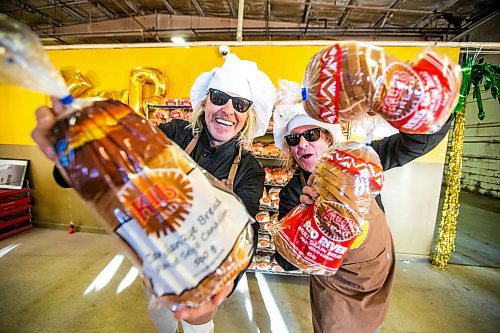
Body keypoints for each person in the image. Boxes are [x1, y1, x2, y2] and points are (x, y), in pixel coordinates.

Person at [31, 53, 276, 333]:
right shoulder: (174, 133)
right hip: (157, 263)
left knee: (199, 326)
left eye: (240, 104)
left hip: (205, 272)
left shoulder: (250, 169)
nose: (227, 110)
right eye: (219, 98)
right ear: (205, 102)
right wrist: (78, 157)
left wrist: (227, 282)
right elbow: (122, 158)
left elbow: (247, 231)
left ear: (248, 115)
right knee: (163, 322)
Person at [273, 103, 452, 333]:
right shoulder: (293, 192)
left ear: (328, 138)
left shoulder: (359, 161)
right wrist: (306, 218)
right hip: (337, 291)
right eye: (293, 140)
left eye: (311, 134)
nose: (302, 144)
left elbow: (417, 143)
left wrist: (429, 106)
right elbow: (286, 262)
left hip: (377, 277)